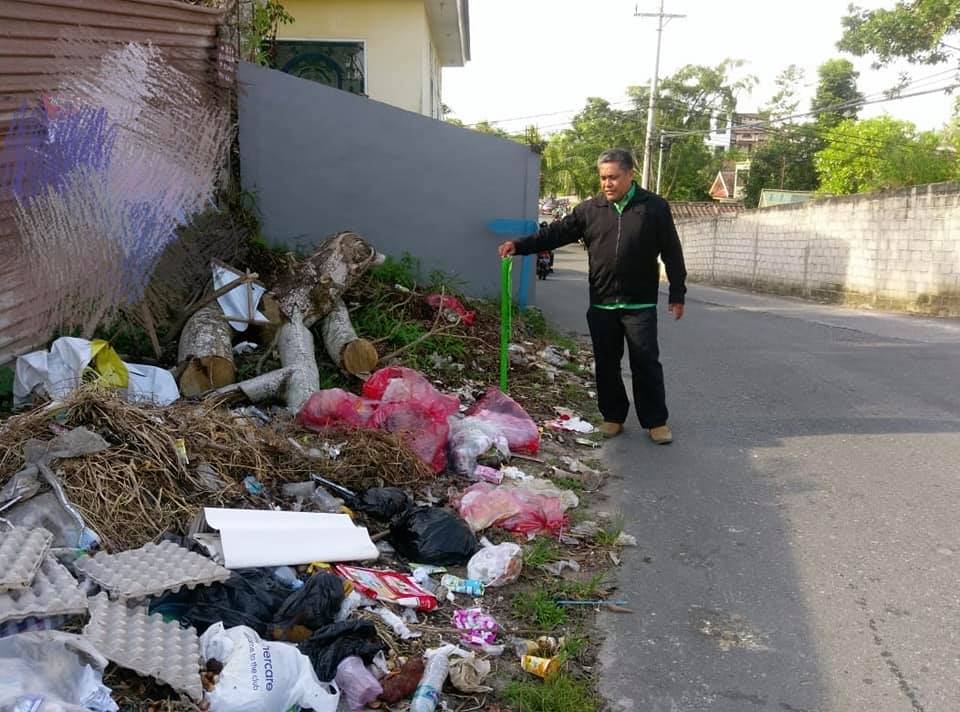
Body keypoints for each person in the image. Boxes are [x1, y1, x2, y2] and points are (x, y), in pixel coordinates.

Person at [498, 148, 686, 444]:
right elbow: (555, 234)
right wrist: (519, 246)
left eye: (613, 177)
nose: (607, 183)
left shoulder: (654, 208)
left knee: (646, 363)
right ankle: (613, 416)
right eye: (603, 178)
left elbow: (672, 253)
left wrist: (677, 292)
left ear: (630, 175)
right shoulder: (590, 210)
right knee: (606, 362)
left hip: (640, 304)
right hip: (602, 302)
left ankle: (655, 421)